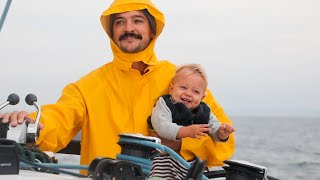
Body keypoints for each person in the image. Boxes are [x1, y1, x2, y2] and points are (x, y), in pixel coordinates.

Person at [0, 0, 235, 170]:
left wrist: (177, 141)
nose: (128, 28)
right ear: (111, 31)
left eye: (137, 20)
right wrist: (30, 122)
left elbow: (222, 141)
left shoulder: (183, 83)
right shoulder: (88, 85)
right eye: (120, 22)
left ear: (152, 29)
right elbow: (59, 117)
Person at [149, 64, 235, 143]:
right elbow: (161, 126)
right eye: (183, 87)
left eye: (196, 91)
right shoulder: (165, 104)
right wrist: (187, 131)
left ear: (202, 98)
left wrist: (221, 133)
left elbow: (213, 128)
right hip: (162, 155)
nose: (188, 94)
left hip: (189, 158)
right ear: (171, 89)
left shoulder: (204, 111)